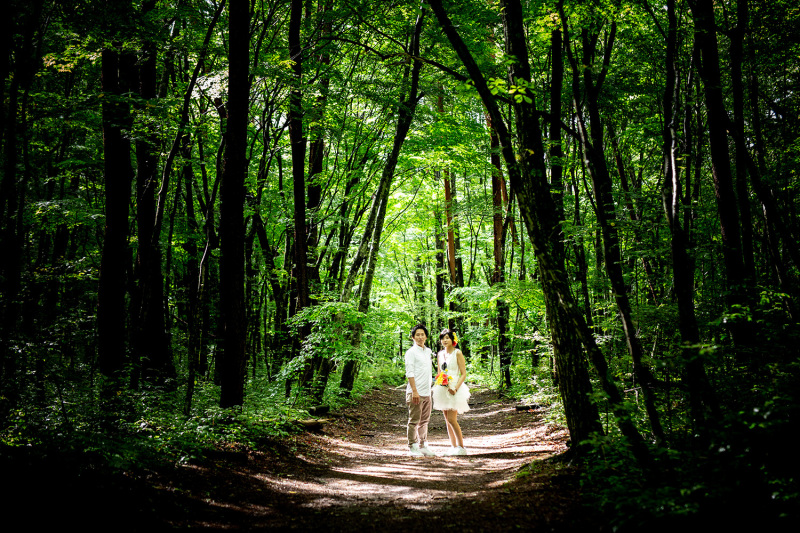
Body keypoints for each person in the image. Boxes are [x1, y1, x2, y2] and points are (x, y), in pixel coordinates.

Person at [432, 328, 470, 455]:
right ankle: (453, 447)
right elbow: (439, 373)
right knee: (447, 419)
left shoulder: (457, 353)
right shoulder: (440, 354)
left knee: (452, 419)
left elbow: (463, 374)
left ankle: (461, 447)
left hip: (455, 388)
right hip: (443, 388)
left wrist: (455, 388)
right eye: (442, 338)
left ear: (452, 339)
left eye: (447, 337)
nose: (444, 340)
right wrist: (440, 382)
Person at [404, 323, 436, 456]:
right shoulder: (411, 352)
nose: (420, 337)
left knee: (425, 421)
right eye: (417, 335)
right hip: (415, 392)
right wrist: (414, 391)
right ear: (413, 337)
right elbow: (409, 373)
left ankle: (423, 445)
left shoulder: (428, 351)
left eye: (422, 334)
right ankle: (412, 446)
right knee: (414, 421)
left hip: (427, 392)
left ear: (426, 337)